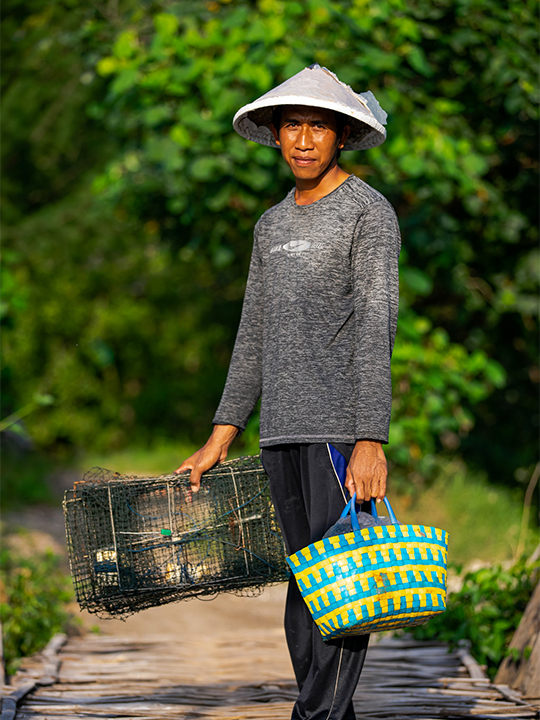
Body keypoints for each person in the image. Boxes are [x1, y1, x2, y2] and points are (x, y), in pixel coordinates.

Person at [175, 64, 401, 720]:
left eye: (318, 127)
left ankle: (314, 718)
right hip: (281, 432)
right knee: (306, 594)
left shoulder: (367, 213)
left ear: (342, 135)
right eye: (292, 126)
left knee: (346, 585)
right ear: (275, 135)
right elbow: (253, 332)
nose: (303, 140)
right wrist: (222, 435)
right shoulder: (270, 226)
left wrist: (369, 439)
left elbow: (375, 329)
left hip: (338, 432)